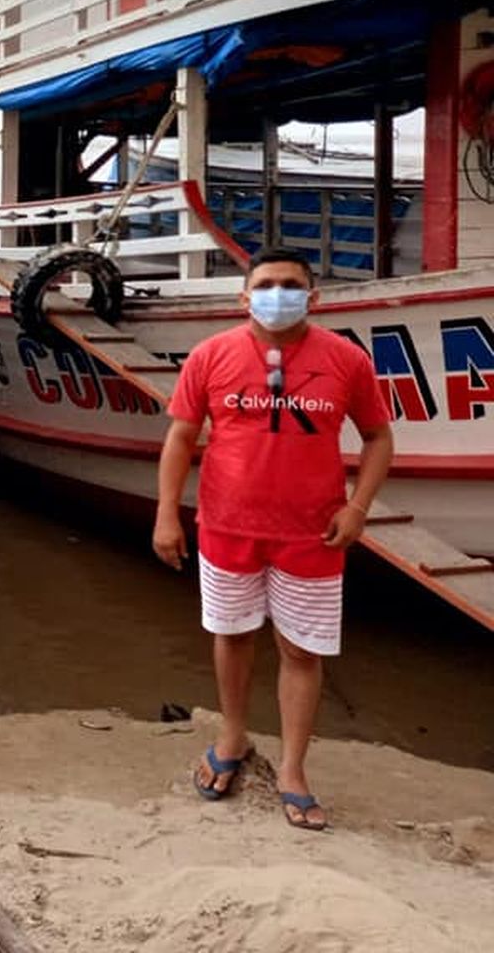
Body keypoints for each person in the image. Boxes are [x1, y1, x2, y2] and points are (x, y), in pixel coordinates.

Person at [154, 246, 393, 832]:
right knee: (231, 635)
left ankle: (293, 768)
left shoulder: (346, 361)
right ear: (244, 296)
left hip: (312, 533)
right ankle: (232, 737)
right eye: (265, 284)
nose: (277, 294)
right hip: (226, 527)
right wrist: (166, 514)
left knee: (301, 650)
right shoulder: (211, 355)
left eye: (291, 284)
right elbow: (181, 439)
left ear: (313, 297)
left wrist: (358, 507)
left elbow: (378, 438)